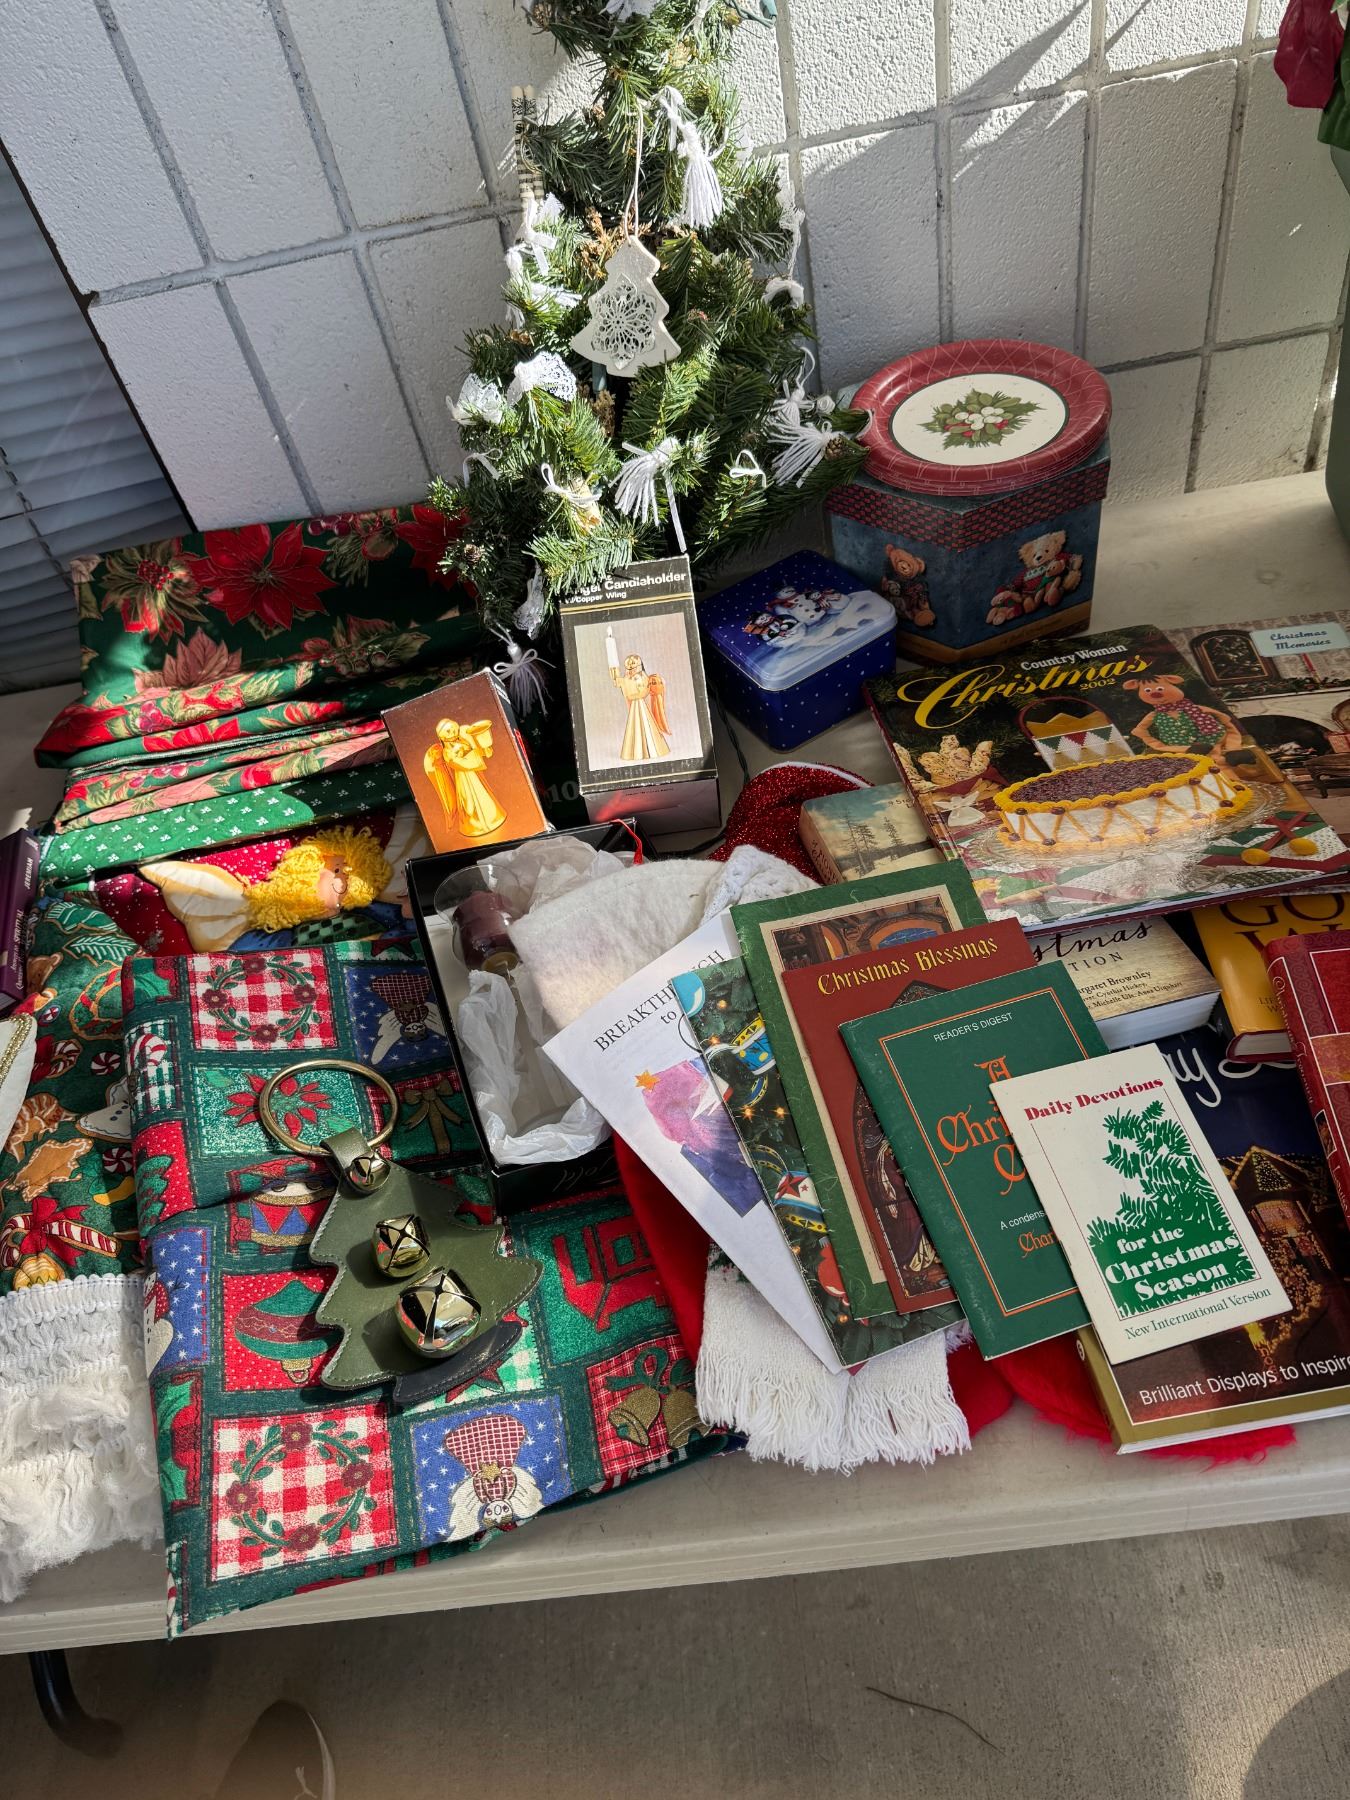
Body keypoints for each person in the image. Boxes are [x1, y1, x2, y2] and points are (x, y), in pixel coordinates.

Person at [423, 717, 507, 838]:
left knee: (482, 792)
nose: (453, 733)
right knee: (469, 797)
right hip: (463, 777)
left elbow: (475, 751)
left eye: (454, 729)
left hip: (474, 775)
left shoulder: (463, 741)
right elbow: (455, 762)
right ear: (442, 736)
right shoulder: (447, 751)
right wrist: (473, 758)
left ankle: (493, 817)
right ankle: (474, 825)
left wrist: (484, 749)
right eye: (448, 731)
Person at [610, 653, 671, 762]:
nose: (630, 667)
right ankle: (634, 749)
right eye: (629, 666)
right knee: (634, 725)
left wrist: (634, 695)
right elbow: (620, 684)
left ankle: (651, 748)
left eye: (632, 665)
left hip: (640, 704)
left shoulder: (642, 676)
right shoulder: (627, 677)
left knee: (646, 723)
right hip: (634, 705)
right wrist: (614, 673)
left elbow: (644, 691)